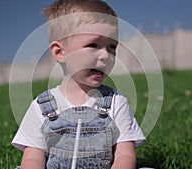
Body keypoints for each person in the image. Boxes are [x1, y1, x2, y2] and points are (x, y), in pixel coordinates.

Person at [12, 0, 146, 168]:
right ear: (60, 52)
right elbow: (33, 159)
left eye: (111, 46)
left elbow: (125, 154)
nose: (106, 56)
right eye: (93, 45)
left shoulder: (116, 103)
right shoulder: (41, 107)